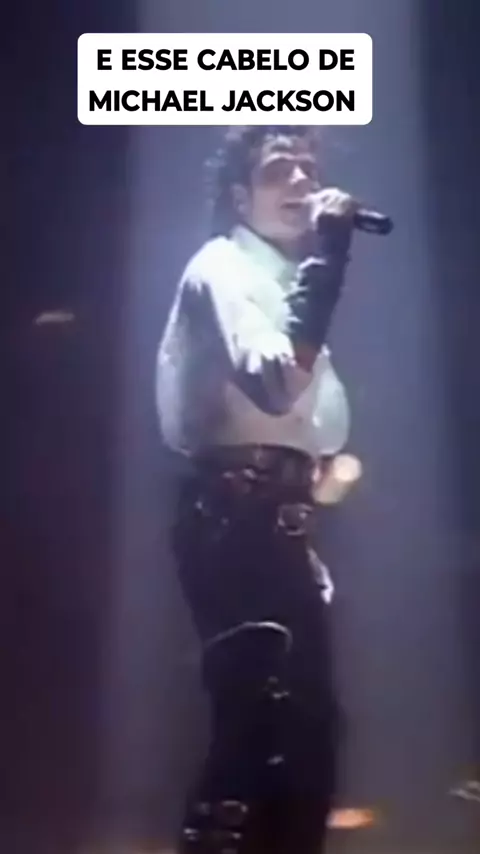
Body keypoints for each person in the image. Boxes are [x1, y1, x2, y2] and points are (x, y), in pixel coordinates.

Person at [156, 125, 358, 854]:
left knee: (307, 735)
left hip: (275, 521)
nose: (302, 181)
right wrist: (330, 261)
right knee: (262, 724)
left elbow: (320, 428)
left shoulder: (278, 285)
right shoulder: (223, 267)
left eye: (309, 167)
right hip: (237, 515)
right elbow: (276, 384)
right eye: (280, 169)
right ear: (240, 198)